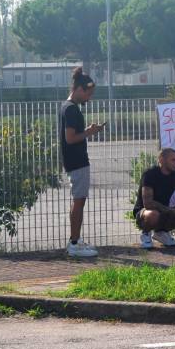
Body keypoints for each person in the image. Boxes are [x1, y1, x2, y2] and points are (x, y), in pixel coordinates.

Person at [59, 67, 105, 257]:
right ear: (79, 89)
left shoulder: (68, 107)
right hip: (77, 162)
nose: (89, 98)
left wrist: (86, 130)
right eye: (88, 93)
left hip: (75, 161)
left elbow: (71, 135)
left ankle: (75, 241)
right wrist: (89, 132)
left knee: (79, 201)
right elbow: (70, 138)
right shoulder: (71, 109)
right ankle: (74, 244)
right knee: (78, 202)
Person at [133, 148, 175, 248]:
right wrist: (173, 211)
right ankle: (146, 233)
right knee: (153, 214)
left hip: (165, 210)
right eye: (173, 160)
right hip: (145, 211)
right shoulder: (149, 174)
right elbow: (148, 204)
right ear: (161, 160)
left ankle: (161, 233)